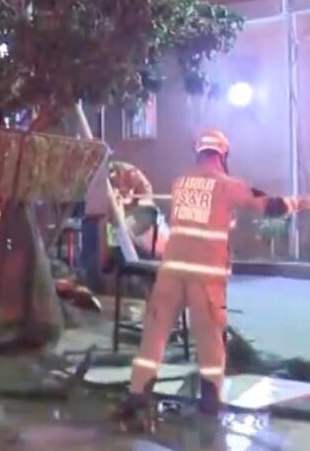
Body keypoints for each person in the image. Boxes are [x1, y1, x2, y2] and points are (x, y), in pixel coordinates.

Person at [120, 129, 310, 427]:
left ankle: (137, 393)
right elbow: (269, 205)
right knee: (209, 339)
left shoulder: (181, 183)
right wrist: (302, 202)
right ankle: (210, 400)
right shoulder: (226, 184)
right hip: (205, 276)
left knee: (154, 334)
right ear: (223, 155)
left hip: (171, 272)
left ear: (198, 153)